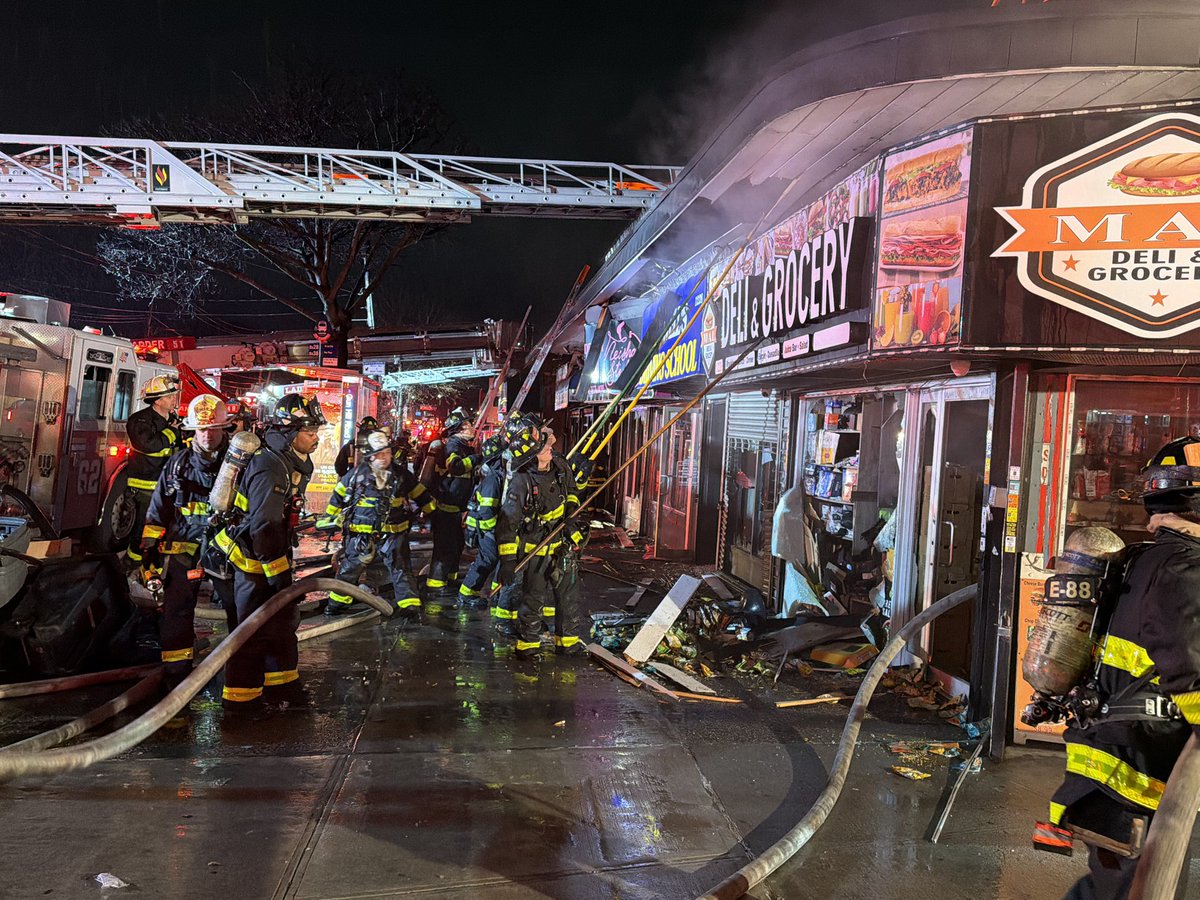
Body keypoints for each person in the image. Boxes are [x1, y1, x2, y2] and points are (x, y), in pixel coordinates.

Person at [1046, 436, 1200, 900]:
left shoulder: (1148, 559)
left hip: (1118, 771)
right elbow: (1192, 678)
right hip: (1138, 779)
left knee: (1109, 891)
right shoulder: (1184, 569)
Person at [214, 393, 323, 717]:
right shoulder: (270, 466)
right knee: (251, 631)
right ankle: (240, 702)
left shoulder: (288, 460)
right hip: (246, 560)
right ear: (290, 432)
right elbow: (263, 526)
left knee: (281, 623)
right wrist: (280, 580)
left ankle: (281, 687)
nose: (316, 437)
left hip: (266, 555)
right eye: (310, 431)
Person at [139, 394, 235, 691]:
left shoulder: (238, 465)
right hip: (184, 550)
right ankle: (176, 676)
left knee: (238, 609)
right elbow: (158, 510)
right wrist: (149, 554)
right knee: (176, 612)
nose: (207, 435)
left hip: (228, 550)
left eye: (213, 428)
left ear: (224, 428)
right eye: (201, 429)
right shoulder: (177, 466)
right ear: (192, 430)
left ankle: (238, 673)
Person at [495, 420, 588, 659]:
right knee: (532, 599)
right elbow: (507, 524)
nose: (550, 447)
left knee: (569, 599)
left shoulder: (560, 466)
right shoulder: (521, 481)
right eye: (543, 447)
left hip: (562, 548)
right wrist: (507, 562)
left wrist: (570, 516)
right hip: (534, 551)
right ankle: (528, 645)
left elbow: (573, 494)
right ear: (532, 457)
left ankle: (568, 644)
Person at [318, 431, 432, 619]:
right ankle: (336, 604)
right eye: (379, 454)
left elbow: (421, 495)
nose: (384, 457)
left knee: (401, 567)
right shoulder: (355, 475)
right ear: (370, 456)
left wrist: (433, 514)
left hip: (394, 533)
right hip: (361, 534)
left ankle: (409, 607)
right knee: (350, 569)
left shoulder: (401, 475)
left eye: (386, 453)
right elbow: (337, 497)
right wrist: (329, 518)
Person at [124, 374, 181, 570]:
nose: (174, 398)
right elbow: (151, 445)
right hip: (146, 485)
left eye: (174, 394)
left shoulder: (174, 420)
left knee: (166, 528)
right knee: (144, 528)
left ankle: (154, 568)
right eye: (170, 396)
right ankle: (133, 563)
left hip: (169, 485)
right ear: (157, 400)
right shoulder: (139, 421)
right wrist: (172, 432)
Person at [423, 407, 478, 604]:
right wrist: (476, 459)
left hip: (455, 508)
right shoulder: (454, 445)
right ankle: (436, 585)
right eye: (468, 425)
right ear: (460, 429)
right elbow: (455, 467)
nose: (472, 428)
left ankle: (450, 579)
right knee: (444, 548)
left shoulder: (462, 446)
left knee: (456, 545)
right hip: (445, 507)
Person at [459, 434, 507, 611]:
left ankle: (495, 593)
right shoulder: (494, 478)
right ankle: (466, 593)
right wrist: (495, 530)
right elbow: (487, 510)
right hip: (486, 527)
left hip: (485, 526)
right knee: (487, 560)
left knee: (495, 559)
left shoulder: (496, 474)